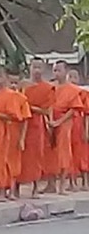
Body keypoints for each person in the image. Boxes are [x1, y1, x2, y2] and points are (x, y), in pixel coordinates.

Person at [0, 68, 29, 201]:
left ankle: (5, 191)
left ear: (6, 77)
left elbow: (15, 116)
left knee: (6, 162)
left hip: (7, 132)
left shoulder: (11, 96)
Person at [19, 58, 55, 197]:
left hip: (37, 125)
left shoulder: (47, 88)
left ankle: (34, 188)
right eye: (34, 67)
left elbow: (46, 110)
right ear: (30, 68)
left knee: (36, 156)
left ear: (44, 69)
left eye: (40, 67)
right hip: (22, 123)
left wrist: (30, 107)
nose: (37, 71)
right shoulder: (23, 85)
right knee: (20, 155)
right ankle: (16, 188)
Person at [49, 61, 85, 195]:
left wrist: (58, 122)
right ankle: (51, 183)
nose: (56, 73)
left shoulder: (72, 90)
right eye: (54, 70)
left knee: (64, 153)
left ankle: (62, 185)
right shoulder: (51, 88)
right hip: (51, 121)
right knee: (50, 153)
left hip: (64, 122)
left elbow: (73, 110)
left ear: (66, 71)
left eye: (59, 70)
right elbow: (48, 106)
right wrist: (51, 121)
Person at [7, 70, 32, 199]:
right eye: (11, 82)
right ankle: (2, 191)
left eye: (16, 83)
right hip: (3, 134)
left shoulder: (22, 100)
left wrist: (22, 138)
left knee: (14, 164)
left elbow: (25, 120)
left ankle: (13, 190)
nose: (13, 86)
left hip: (16, 135)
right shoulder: (0, 96)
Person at [67, 69, 89, 191]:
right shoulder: (65, 92)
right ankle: (72, 182)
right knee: (70, 155)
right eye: (70, 77)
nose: (72, 80)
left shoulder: (83, 94)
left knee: (83, 155)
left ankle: (85, 182)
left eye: (75, 77)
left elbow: (87, 113)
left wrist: (86, 130)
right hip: (68, 125)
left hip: (80, 125)